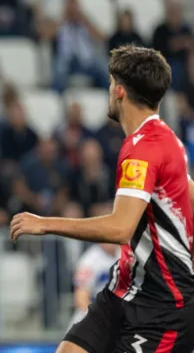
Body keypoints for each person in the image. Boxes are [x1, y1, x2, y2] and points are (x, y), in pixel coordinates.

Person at [12, 46, 194, 353]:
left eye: (110, 85)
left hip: (163, 305)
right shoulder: (166, 139)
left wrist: (44, 224)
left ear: (119, 91)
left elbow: (119, 229)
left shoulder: (144, 148)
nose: (109, 92)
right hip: (123, 290)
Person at [72, 241, 119, 326]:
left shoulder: (124, 255)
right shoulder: (90, 260)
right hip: (89, 317)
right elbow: (81, 297)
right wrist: (98, 319)